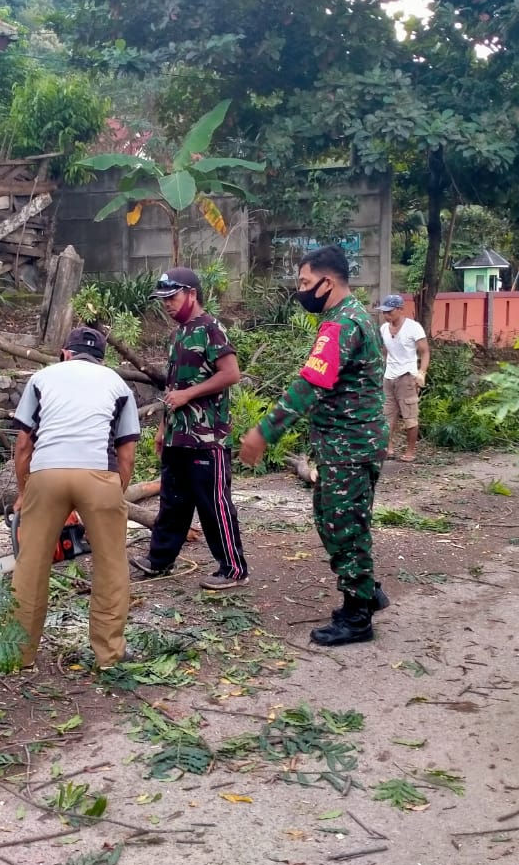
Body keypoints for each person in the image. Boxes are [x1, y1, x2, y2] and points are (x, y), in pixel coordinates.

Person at [239, 245, 389, 646]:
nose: (300, 290)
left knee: (344, 525)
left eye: (305, 283)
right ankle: (365, 592)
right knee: (334, 520)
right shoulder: (352, 317)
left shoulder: (341, 324)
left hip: (349, 445)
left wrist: (264, 432)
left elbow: (311, 384)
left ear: (328, 282)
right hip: (346, 444)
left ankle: (359, 616)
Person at [10, 326, 140, 670]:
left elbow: (24, 444)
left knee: (31, 565)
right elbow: (126, 452)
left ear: (66, 353)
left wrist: (24, 493)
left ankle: (18, 654)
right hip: (99, 473)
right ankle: (109, 654)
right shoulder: (117, 383)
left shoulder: (42, 378)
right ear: (102, 358)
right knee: (111, 565)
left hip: (47, 473)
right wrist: (114, 495)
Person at [131, 267, 249, 590]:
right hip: (178, 436)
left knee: (214, 503)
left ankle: (234, 568)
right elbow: (173, 388)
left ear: (192, 294)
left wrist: (188, 395)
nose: (167, 305)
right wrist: (162, 429)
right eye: (163, 299)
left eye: (172, 297)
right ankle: (159, 561)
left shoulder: (211, 329)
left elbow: (231, 373)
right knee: (172, 502)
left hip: (207, 437)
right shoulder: (180, 333)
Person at [379, 293, 430, 462]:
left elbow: (425, 351)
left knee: (409, 415)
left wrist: (421, 372)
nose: (386, 315)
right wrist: (382, 368)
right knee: (387, 415)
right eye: (384, 312)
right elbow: (385, 351)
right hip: (389, 377)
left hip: (407, 376)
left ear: (400, 309)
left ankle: (410, 451)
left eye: (390, 312)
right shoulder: (384, 329)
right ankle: (389, 448)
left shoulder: (413, 328)